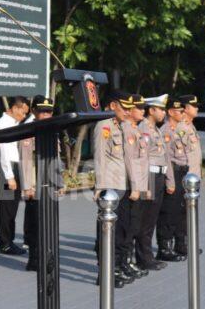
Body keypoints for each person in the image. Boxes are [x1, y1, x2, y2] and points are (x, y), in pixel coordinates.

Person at [93, 89, 135, 288]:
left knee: (119, 232)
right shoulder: (105, 127)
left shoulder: (121, 126)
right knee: (107, 232)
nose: (128, 111)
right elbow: (100, 158)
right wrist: (100, 187)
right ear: (112, 105)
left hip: (121, 185)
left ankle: (115, 267)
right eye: (124, 107)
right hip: (109, 186)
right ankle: (105, 273)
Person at [135, 94, 174, 271]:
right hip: (149, 176)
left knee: (152, 218)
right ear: (152, 110)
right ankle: (144, 257)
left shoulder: (155, 129)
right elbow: (141, 157)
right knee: (146, 218)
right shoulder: (144, 128)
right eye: (161, 109)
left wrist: (168, 179)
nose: (163, 113)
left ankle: (146, 255)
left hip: (158, 175)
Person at [20, 95, 55, 271]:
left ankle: (46, 257)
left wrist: (60, 183)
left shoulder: (52, 129)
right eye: (42, 111)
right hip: (35, 185)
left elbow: (55, 159)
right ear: (34, 111)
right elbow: (25, 160)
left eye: (49, 111)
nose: (46, 115)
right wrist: (28, 186)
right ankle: (34, 260)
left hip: (49, 183)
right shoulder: (29, 129)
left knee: (48, 224)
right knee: (36, 225)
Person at [119, 94, 149, 281]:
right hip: (132, 186)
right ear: (130, 111)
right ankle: (125, 262)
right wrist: (136, 186)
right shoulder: (127, 131)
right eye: (139, 108)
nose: (142, 111)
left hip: (140, 183)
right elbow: (130, 161)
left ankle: (128, 261)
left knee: (135, 224)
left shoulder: (135, 130)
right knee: (128, 227)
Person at [0, 96, 30, 256]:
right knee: (7, 208)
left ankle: (9, 240)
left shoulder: (13, 123)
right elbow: (2, 151)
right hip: (6, 169)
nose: (23, 116)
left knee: (12, 208)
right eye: (23, 113)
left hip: (12, 167)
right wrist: (9, 176)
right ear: (15, 108)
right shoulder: (3, 124)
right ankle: (5, 243)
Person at [157, 96, 189, 262]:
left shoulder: (179, 129)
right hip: (173, 174)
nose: (183, 113)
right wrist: (170, 181)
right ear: (170, 112)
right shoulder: (166, 131)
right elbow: (167, 159)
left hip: (182, 172)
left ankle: (176, 245)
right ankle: (164, 248)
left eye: (184, 110)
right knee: (168, 212)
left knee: (178, 211)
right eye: (179, 111)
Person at [180, 95, 203, 177]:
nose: (197, 108)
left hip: (194, 174)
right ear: (185, 109)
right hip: (186, 175)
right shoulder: (181, 127)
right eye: (194, 106)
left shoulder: (191, 125)